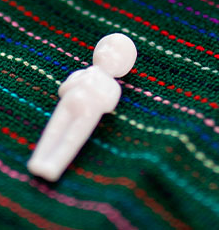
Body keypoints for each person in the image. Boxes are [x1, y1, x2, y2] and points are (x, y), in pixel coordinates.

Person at [27, 33, 137, 181]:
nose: (107, 53)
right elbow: (63, 89)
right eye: (106, 48)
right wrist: (79, 83)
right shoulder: (82, 73)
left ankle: (54, 165)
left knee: (72, 138)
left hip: (88, 114)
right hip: (67, 104)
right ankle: (38, 159)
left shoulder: (112, 86)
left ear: (124, 65)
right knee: (54, 129)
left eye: (115, 53)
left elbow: (108, 105)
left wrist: (93, 90)